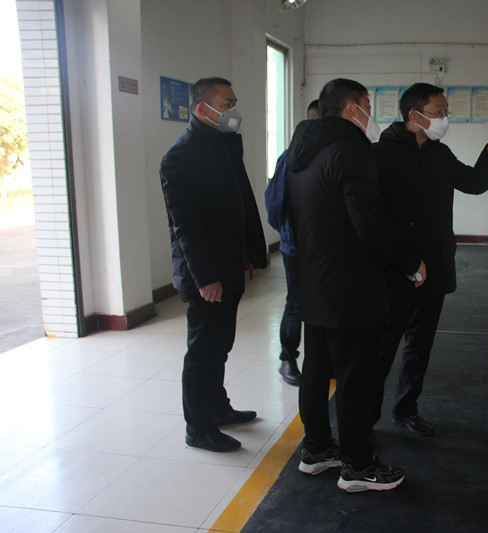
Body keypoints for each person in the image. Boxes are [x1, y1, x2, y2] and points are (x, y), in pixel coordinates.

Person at [285, 78, 427, 492]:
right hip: (350, 286)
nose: (370, 112)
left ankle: (316, 450)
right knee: (356, 379)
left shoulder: (301, 152)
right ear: (352, 107)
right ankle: (358, 466)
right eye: (367, 103)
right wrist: (410, 262)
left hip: (313, 280)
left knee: (317, 372)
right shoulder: (350, 149)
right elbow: (369, 218)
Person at [371, 82, 488, 436]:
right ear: (414, 114)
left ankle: (406, 408)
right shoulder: (380, 155)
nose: (445, 118)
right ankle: (365, 423)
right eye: (439, 112)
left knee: (420, 347)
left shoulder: (439, 153)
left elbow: (474, 182)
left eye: (445, 111)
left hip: (433, 267)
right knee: (381, 351)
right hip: (395, 270)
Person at [160, 77, 268, 452]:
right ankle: (198, 427)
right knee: (203, 352)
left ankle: (218, 408)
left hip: (228, 264)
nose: (232, 110)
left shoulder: (226, 143)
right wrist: (206, 278)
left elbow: (239, 200)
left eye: (234, 102)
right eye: (226, 103)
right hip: (205, 274)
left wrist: (251, 250)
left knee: (220, 345)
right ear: (201, 108)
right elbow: (186, 226)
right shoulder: (181, 155)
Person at [265, 100, 320, 386]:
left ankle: (321, 361)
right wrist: (289, 233)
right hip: (296, 247)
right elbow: (275, 203)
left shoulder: (337, 154)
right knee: (296, 303)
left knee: (323, 304)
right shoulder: (289, 158)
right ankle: (288, 359)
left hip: (325, 249)